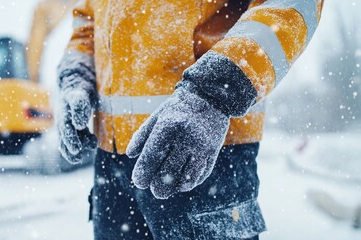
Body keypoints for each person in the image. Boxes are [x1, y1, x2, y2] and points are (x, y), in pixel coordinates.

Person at [57, 0, 324, 239]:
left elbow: (291, 4)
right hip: (112, 160)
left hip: (202, 146)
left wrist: (214, 91)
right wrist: (76, 77)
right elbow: (87, 23)